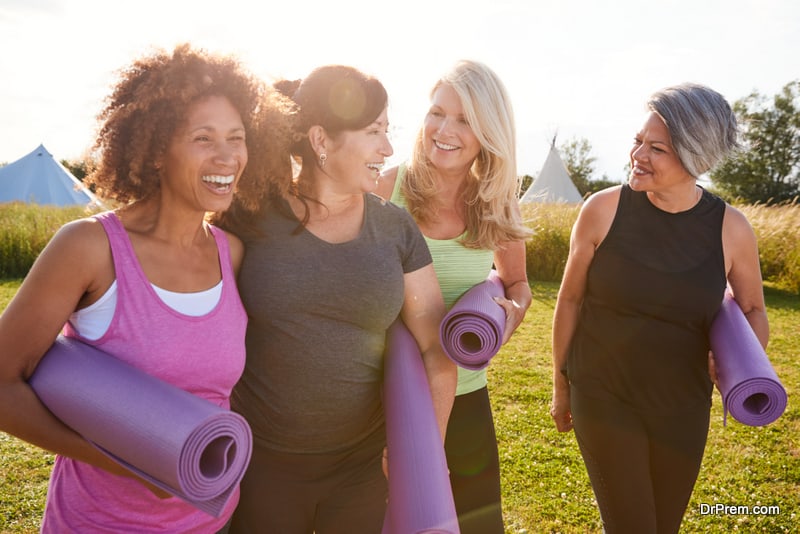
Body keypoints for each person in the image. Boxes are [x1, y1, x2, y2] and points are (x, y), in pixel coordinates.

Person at [0, 44, 290, 533]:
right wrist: (133, 458)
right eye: (203, 137)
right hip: (100, 522)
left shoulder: (232, 254)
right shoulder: (89, 247)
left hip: (211, 521)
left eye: (236, 138)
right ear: (156, 151)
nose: (227, 156)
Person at [215, 65, 458, 534]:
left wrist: (424, 451)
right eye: (373, 132)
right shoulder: (249, 218)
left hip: (361, 469)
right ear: (321, 139)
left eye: (388, 132)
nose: (387, 148)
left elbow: (435, 348)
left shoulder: (394, 227)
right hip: (262, 464)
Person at [550, 83, 769, 533]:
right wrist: (561, 384)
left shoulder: (731, 229)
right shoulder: (602, 210)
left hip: (683, 407)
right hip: (604, 393)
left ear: (696, 158)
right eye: (637, 141)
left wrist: (738, 364)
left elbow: (753, 309)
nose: (638, 155)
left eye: (657, 149)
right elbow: (569, 299)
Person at [375, 59, 532, 534]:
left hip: (465, 397)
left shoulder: (496, 202)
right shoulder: (386, 189)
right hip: (382, 398)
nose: (444, 129)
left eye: (464, 120)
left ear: (488, 131)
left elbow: (517, 283)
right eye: (437, 112)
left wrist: (510, 315)